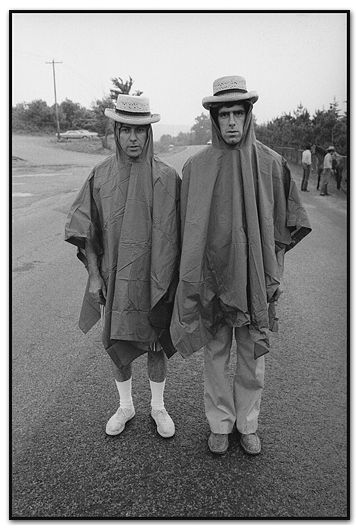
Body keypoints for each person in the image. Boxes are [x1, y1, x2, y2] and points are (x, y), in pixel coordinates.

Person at [170, 76, 311, 455]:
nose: (231, 121)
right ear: (214, 119)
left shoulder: (270, 163)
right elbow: (186, 230)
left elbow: (285, 223)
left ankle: (248, 424)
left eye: (238, 113)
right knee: (216, 352)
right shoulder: (196, 168)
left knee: (250, 355)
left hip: (254, 278)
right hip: (213, 279)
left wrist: (275, 272)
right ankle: (219, 422)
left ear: (248, 116)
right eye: (224, 114)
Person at [65, 94, 181, 439]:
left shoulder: (167, 177)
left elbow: (180, 233)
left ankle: (158, 407)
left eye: (140, 130)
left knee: (156, 343)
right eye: (126, 130)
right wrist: (94, 275)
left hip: (156, 277)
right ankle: (126, 405)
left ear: (149, 133)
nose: (133, 137)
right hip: (117, 276)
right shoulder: (100, 175)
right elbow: (85, 228)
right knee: (119, 341)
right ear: (116, 132)